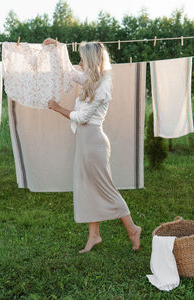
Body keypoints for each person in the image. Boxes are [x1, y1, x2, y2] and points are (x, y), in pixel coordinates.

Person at [43, 38, 142, 253]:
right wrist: (59, 47)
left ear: (92, 60)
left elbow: (83, 116)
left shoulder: (103, 86)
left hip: (94, 142)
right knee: (85, 186)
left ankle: (133, 228)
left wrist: (58, 108)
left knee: (106, 189)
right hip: (85, 142)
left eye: (83, 58)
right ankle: (94, 235)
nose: (80, 61)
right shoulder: (91, 79)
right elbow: (70, 72)